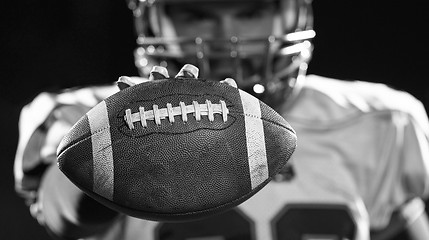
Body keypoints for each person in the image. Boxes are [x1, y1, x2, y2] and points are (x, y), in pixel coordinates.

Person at [14, 0, 429, 239]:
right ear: (151, 19)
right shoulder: (88, 116)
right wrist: (112, 158)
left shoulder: (381, 120)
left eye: (252, 11)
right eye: (195, 14)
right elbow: (62, 214)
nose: (225, 36)